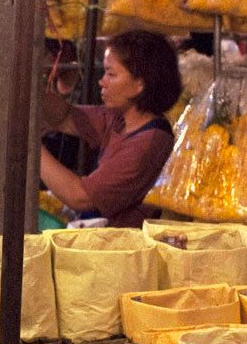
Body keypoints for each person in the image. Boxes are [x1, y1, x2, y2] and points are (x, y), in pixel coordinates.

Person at [37, 29, 182, 226]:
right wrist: (32, 84)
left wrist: (30, 146)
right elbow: (64, 117)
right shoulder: (119, 118)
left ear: (140, 84)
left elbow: (80, 197)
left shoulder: (150, 142)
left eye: (111, 74)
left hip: (120, 249)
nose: (101, 81)